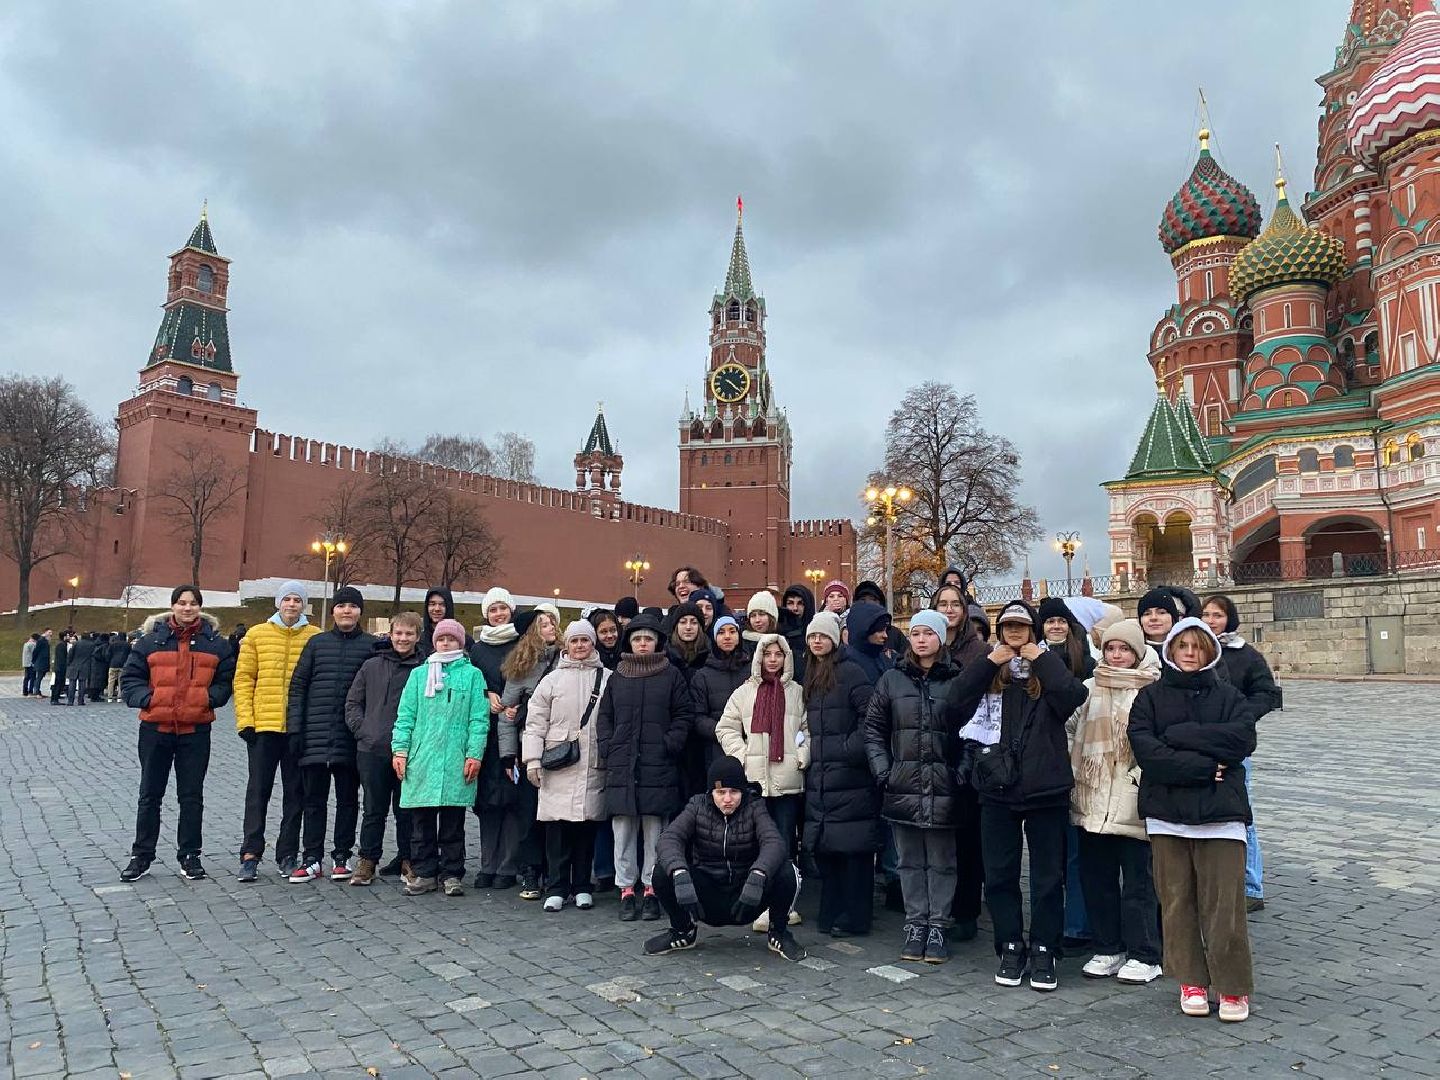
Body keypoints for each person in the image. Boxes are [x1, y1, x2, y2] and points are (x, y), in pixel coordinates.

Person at [950, 599, 1088, 991]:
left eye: (1021, 626)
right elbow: (955, 702)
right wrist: (989, 662)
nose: (1014, 632)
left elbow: (1072, 695)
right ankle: (1010, 945)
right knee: (1000, 875)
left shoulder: (1047, 669)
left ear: (1033, 631)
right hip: (996, 787)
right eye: (1008, 626)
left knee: (1047, 877)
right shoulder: (991, 671)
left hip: (1045, 786)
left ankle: (1045, 948)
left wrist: (1040, 657)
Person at [1128, 618, 1257, 1023]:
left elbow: (1241, 741)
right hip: (1168, 816)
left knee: (1225, 907)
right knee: (1177, 903)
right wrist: (1202, 766)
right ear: (1169, 650)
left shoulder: (1230, 697)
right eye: (1181, 645)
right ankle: (1191, 980)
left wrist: (1179, 734)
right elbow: (1148, 751)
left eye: (1197, 646)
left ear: (1209, 652)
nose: (1189, 653)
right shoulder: (1149, 698)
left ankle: (1232, 983)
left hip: (1221, 816)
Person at [864, 610, 965, 964]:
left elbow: (972, 731)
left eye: (929, 633)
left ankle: (938, 925)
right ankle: (915, 923)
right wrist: (884, 772)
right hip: (902, 785)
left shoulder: (956, 679)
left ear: (941, 637)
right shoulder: (892, 680)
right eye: (916, 633)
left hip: (943, 787)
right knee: (908, 860)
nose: (921, 640)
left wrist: (960, 774)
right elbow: (874, 729)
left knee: (941, 861)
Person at [1067, 619, 1163, 984]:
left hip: (1134, 797)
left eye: (1124, 649)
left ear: (1137, 652)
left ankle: (1145, 953)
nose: (1117, 655)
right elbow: (1069, 731)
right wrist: (1076, 767)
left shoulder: (1152, 688)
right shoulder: (1089, 688)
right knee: (1097, 880)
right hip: (1092, 796)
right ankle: (1108, 947)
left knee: (1139, 884)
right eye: (1110, 648)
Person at [118, 586, 236, 882]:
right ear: (172, 606)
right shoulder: (149, 642)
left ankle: (190, 854)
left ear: (200, 608)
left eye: (193, 603)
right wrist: (150, 700)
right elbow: (130, 679)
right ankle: (141, 855)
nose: (187, 608)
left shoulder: (216, 645)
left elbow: (226, 682)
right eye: (182, 603)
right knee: (149, 795)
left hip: (195, 730)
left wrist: (207, 699)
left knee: (191, 796)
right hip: (155, 728)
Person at [647, 755, 806, 962]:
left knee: (787, 870)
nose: (727, 799)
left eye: (734, 792)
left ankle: (778, 932)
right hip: (705, 899)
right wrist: (680, 873)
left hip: (747, 896)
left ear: (743, 791)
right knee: (662, 871)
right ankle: (683, 930)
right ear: (710, 792)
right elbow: (669, 838)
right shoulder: (696, 806)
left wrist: (759, 874)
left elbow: (774, 842)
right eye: (720, 792)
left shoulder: (755, 806)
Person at [597, 612, 693, 922]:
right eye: (637, 638)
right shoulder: (618, 675)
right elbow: (605, 717)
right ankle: (626, 889)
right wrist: (609, 747)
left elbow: (683, 715)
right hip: (622, 764)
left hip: (658, 765)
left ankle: (653, 888)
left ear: (657, 642)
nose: (642, 643)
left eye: (648, 639)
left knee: (655, 831)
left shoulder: (671, 674)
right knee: (623, 830)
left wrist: (669, 744)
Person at [716, 633, 810, 931]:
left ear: (786, 658)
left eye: (778, 654)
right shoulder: (745, 692)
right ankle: (759, 902)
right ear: (759, 657)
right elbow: (726, 727)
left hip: (787, 780)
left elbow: (807, 729)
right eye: (767, 654)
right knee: (757, 844)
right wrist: (742, 756)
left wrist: (802, 755)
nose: (772, 660)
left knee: (785, 842)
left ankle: (784, 904)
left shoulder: (797, 692)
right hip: (754, 780)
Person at [286, 585, 378, 883]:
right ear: (333, 610)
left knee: (348, 801)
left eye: (352, 606)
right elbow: (298, 687)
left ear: (360, 611)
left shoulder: (371, 646)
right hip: (314, 736)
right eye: (341, 605)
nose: (346, 611)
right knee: (313, 801)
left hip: (351, 737)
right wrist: (295, 729)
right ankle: (312, 857)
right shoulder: (316, 644)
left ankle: (342, 855)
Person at [392, 618, 487, 897]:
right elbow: (405, 716)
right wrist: (400, 750)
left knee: (452, 824)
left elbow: (478, 719)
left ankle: (452, 873)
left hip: (455, 759)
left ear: (460, 642)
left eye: (451, 639)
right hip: (422, 758)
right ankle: (424, 873)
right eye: (441, 639)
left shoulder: (473, 675)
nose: (446, 644)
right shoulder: (419, 675)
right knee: (421, 823)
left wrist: (474, 754)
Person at [234, 580, 322, 882]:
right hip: (263, 726)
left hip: (298, 729)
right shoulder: (257, 635)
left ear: (304, 605)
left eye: (297, 600)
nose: (292, 604)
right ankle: (250, 852)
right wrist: (246, 720)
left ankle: (287, 853)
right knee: (258, 792)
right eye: (287, 599)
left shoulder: (314, 637)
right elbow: (244, 679)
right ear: (278, 603)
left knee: (295, 794)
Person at [1202, 594, 1282, 914]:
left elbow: (1266, 694)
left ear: (1230, 619)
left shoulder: (1245, 655)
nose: (1211, 621)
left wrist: (1240, 716)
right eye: (1206, 614)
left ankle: (1251, 887)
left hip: (1234, 745)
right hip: (1200, 745)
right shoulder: (1194, 649)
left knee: (1241, 815)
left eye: (1217, 615)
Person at [523, 620, 611, 912]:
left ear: (593, 643)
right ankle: (557, 887)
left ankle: (582, 885)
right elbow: (535, 723)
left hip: (591, 763)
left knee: (586, 830)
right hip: (558, 764)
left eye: (585, 640)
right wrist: (532, 759)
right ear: (566, 645)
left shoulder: (607, 678)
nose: (580, 646)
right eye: (574, 641)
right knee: (557, 831)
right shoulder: (551, 680)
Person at [801, 612, 879, 938]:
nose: (817, 641)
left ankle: (856, 916)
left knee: (854, 852)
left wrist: (849, 750)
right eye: (812, 636)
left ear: (834, 639)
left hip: (850, 775)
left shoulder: (851, 671)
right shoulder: (810, 672)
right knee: (828, 849)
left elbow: (871, 717)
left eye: (822, 636)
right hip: (821, 774)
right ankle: (832, 911)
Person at [344, 610, 424, 885]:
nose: (403, 638)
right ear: (390, 635)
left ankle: (408, 858)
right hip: (373, 748)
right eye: (398, 633)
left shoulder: (424, 669)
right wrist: (363, 730)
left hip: (410, 750)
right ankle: (368, 859)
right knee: (373, 809)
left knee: (407, 810)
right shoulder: (371, 666)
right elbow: (353, 703)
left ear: (417, 637)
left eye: (409, 634)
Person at [931, 582, 988, 942]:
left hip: (969, 747)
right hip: (933, 749)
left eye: (955, 604)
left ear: (965, 611)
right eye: (943, 604)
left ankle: (967, 911)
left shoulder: (979, 651)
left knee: (968, 838)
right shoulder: (927, 645)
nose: (949, 609)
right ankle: (938, 907)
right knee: (938, 837)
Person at [499, 608, 561, 901]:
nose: (550, 628)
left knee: (557, 817)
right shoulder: (521, 667)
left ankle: (556, 872)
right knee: (529, 815)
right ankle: (531, 871)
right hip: (530, 750)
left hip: (562, 749)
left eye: (552, 623)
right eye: (543, 625)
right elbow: (506, 716)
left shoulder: (566, 660)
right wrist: (508, 754)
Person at [468, 586, 522, 889]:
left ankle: (508, 866)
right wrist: (486, 693)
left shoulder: (522, 643)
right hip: (485, 733)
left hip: (514, 730)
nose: (498, 614)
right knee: (487, 801)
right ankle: (488, 864)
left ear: (511, 610)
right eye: (492, 609)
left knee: (512, 800)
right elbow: (471, 684)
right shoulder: (478, 650)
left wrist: (516, 703)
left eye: (502, 608)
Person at [687, 615, 751, 793]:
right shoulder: (702, 676)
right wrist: (725, 732)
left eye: (732, 631)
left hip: (750, 748)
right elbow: (698, 717)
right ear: (714, 638)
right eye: (721, 632)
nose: (727, 636)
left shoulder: (752, 670)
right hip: (716, 750)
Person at [420, 586, 471, 658]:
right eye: (432, 604)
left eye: (442, 604)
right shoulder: (419, 640)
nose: (437, 609)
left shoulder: (464, 640)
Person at [777, 585, 815, 680]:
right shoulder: (777, 633)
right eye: (790, 603)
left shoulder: (815, 635)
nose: (795, 608)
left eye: (800, 603)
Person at [68, 630, 95, 707]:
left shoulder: (76, 643)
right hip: (85, 665)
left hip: (74, 665)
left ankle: (70, 701)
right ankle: (80, 700)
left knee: (72, 683)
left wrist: (69, 662)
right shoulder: (92, 645)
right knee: (82, 684)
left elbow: (71, 654)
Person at [107, 631, 133, 702]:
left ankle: (109, 697)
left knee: (111, 681)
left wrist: (109, 661)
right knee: (120, 681)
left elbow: (108, 654)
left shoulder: (112, 644)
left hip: (113, 664)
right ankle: (119, 697)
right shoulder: (127, 645)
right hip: (123, 664)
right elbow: (130, 655)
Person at [49, 630, 71, 705]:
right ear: (64, 637)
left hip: (59, 667)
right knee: (58, 683)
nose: (69, 637)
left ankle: (55, 698)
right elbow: (62, 658)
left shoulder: (61, 644)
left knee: (58, 683)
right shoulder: (62, 645)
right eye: (67, 636)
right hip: (60, 667)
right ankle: (55, 699)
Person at [31, 628, 51, 699]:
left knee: (40, 677)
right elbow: (36, 651)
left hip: (43, 663)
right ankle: (37, 692)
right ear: (45, 632)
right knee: (39, 678)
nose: (51, 634)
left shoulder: (45, 641)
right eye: (49, 632)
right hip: (40, 662)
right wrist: (34, 661)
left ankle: (38, 692)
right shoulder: (41, 640)